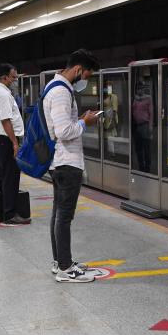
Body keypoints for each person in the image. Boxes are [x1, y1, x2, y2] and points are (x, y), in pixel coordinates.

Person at [42, 49, 101, 282]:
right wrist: (85, 122)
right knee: (64, 216)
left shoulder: (56, 88)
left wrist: (80, 120)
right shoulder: (60, 92)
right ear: (77, 70)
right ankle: (65, 269)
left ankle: (61, 262)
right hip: (66, 162)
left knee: (59, 214)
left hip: (60, 161)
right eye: (86, 75)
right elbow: (63, 131)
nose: (85, 80)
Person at [0, 63, 28, 225]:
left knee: (1, 176)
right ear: (4, 77)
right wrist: (14, 143)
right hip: (5, 140)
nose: (15, 80)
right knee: (10, 177)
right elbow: (6, 120)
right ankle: (10, 215)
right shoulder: (3, 94)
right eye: (13, 77)